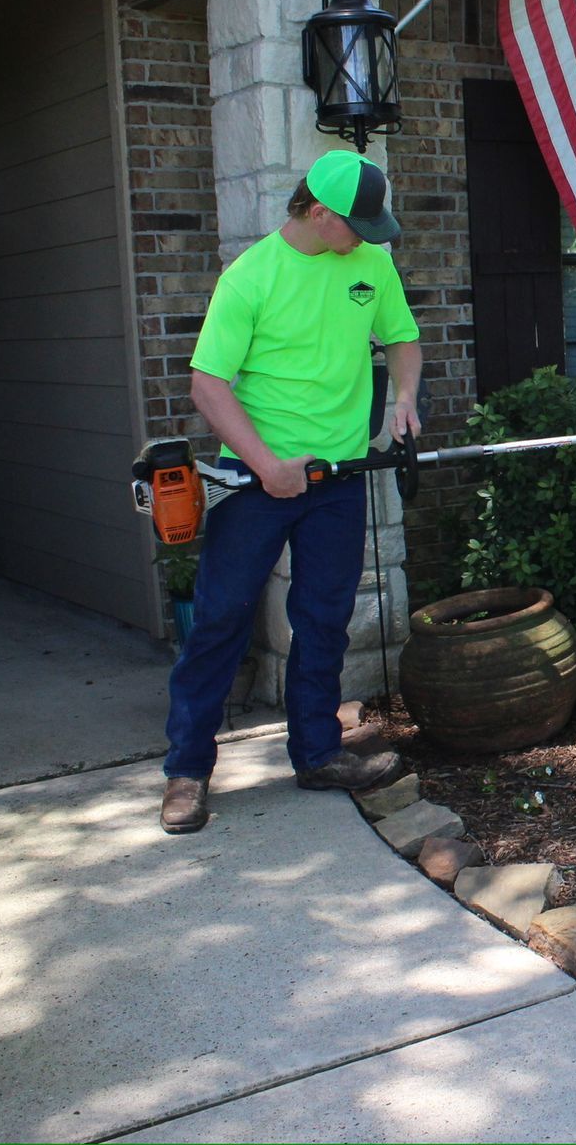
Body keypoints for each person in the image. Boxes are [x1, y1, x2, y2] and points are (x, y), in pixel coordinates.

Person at [160, 150, 423, 833]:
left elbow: (402, 338)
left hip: (336, 478)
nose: (368, 237)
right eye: (356, 224)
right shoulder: (250, 277)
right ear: (318, 211)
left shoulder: (370, 262)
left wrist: (403, 397)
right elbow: (207, 386)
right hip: (256, 479)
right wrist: (268, 465)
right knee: (220, 617)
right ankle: (186, 771)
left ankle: (317, 753)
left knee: (325, 617)